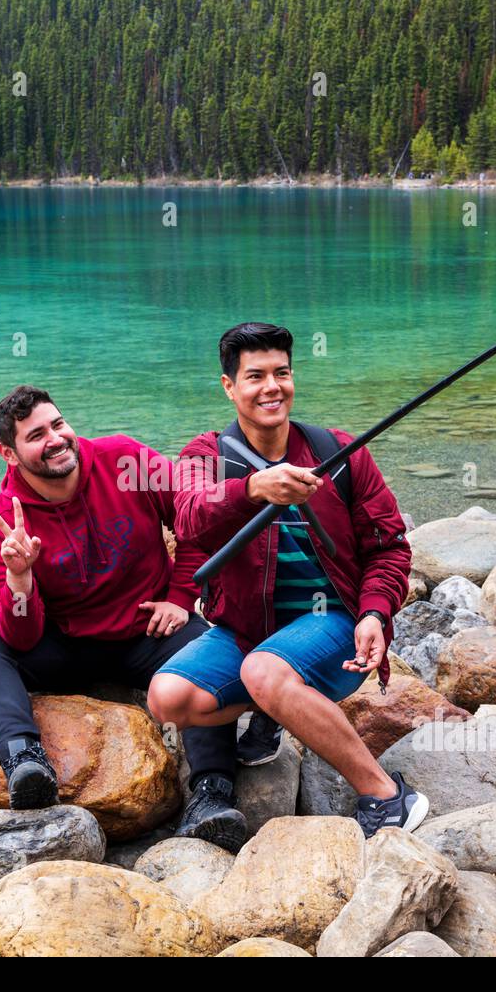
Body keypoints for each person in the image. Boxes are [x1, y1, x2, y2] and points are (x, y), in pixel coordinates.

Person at [147, 323, 429, 842]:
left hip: (334, 623)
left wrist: (374, 612)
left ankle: (388, 796)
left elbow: (390, 547)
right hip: (251, 631)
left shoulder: (341, 452)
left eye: (282, 373)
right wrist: (252, 488)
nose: (271, 387)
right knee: (167, 696)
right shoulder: (205, 455)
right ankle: (276, 706)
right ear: (229, 386)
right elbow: (187, 516)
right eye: (255, 376)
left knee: (264, 670)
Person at [0, 385, 236, 815]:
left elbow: (193, 519)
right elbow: (21, 636)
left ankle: (212, 794)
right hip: (65, 647)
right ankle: (25, 763)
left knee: (207, 653)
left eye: (58, 424)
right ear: (8, 453)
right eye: (35, 436)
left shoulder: (126, 460)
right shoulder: (4, 527)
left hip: (148, 631)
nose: (55, 439)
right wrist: (20, 578)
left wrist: (181, 597)